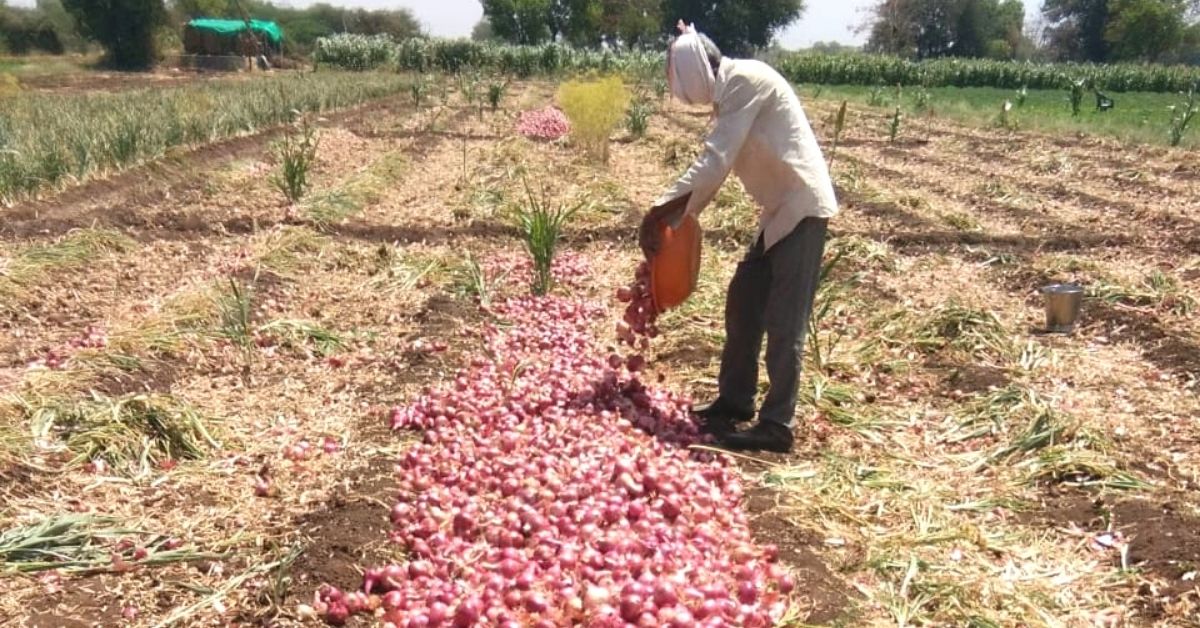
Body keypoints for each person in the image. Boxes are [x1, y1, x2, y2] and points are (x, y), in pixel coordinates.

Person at [639, 22, 839, 454]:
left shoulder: (746, 81)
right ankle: (735, 400)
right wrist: (675, 212)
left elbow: (716, 161)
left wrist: (661, 210)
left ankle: (776, 425)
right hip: (779, 212)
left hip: (802, 207)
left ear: (694, 71)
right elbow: (717, 165)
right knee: (744, 297)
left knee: (786, 322)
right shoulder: (733, 88)